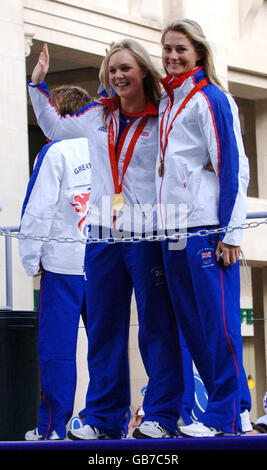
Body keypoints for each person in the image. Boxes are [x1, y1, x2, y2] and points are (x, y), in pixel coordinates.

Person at [27, 40, 184, 440]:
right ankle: (103, 417)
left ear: (143, 72)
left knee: (155, 328)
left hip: (148, 230)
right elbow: (54, 127)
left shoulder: (163, 113)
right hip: (101, 236)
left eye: (125, 69)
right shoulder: (98, 115)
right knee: (104, 329)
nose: (118, 77)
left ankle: (163, 415)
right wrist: (38, 85)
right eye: (112, 70)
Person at [152, 18, 250, 437]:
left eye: (181, 49)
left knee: (219, 325)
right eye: (167, 49)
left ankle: (225, 414)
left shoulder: (210, 97)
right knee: (192, 326)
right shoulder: (168, 101)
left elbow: (233, 166)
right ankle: (233, 411)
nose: (173, 56)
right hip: (172, 227)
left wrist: (231, 232)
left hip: (207, 226)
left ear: (198, 52)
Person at [19, 84, 92, 440]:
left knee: (58, 350)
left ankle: (53, 427)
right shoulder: (106, 146)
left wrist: (30, 256)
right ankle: (104, 420)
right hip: (104, 261)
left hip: (62, 263)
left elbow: (39, 206)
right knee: (108, 349)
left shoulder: (54, 151)